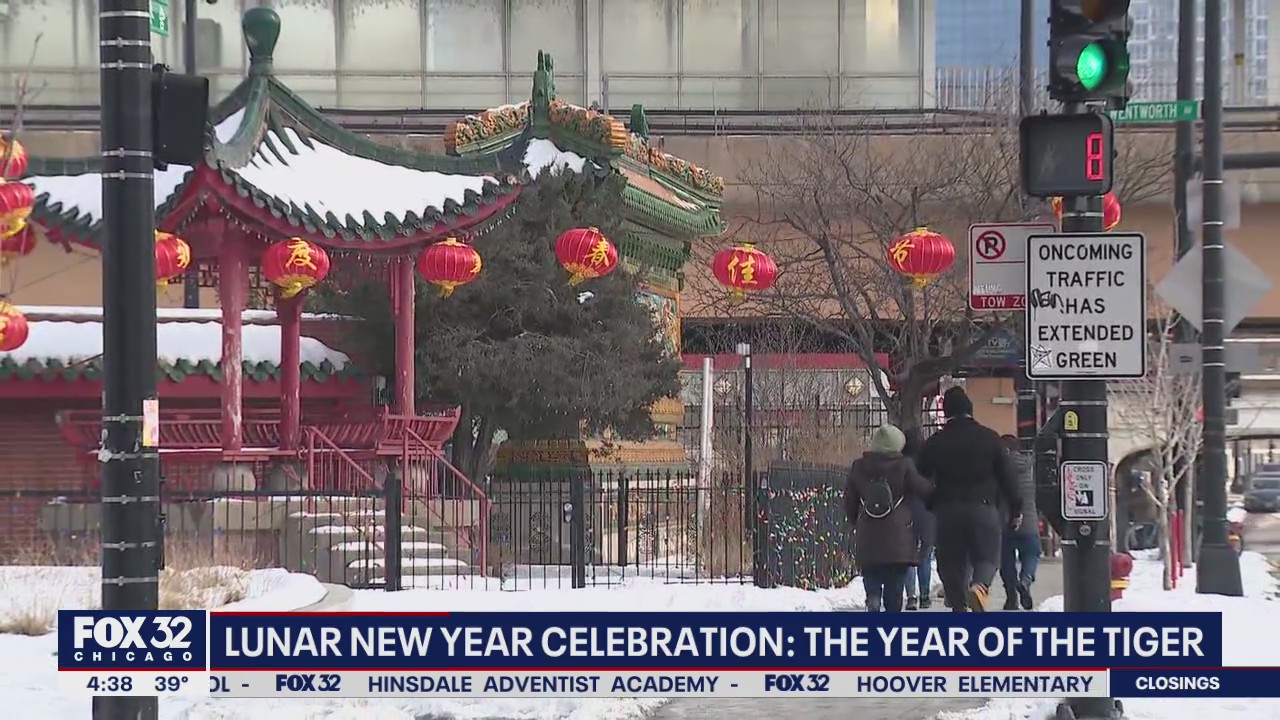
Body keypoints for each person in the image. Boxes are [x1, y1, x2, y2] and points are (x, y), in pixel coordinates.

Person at [917, 387, 1023, 612]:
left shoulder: (936, 442)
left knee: (950, 562)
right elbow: (1008, 478)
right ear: (970, 409)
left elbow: (921, 474)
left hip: (947, 510)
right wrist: (1015, 509)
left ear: (946, 411)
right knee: (987, 556)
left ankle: (959, 607)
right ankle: (980, 586)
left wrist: (931, 500)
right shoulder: (990, 438)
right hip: (983, 507)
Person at [844, 424, 932, 612]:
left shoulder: (859, 466)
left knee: (871, 572)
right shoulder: (904, 465)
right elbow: (923, 490)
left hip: (868, 534)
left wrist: (855, 521)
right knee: (895, 583)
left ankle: (873, 598)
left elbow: (850, 500)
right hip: (897, 538)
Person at [999, 435, 1041, 610]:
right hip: (1029, 520)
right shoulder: (1030, 465)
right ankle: (1025, 581)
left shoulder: (999, 467)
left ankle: (1011, 598)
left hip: (1005, 521)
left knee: (1006, 560)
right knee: (1031, 553)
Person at [902, 427, 936, 610]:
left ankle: (911, 596)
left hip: (906, 509)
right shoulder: (929, 460)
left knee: (908, 555)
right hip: (927, 510)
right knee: (925, 554)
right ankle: (924, 595)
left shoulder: (901, 461)